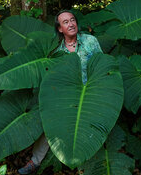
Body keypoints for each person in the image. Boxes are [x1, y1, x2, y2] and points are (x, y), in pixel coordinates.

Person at [18, 10, 103, 174]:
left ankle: (86, 163)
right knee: (50, 121)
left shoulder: (90, 41)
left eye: (72, 20)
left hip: (90, 93)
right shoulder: (56, 51)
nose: (71, 24)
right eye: (65, 22)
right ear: (59, 29)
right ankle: (35, 162)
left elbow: (102, 65)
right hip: (65, 97)